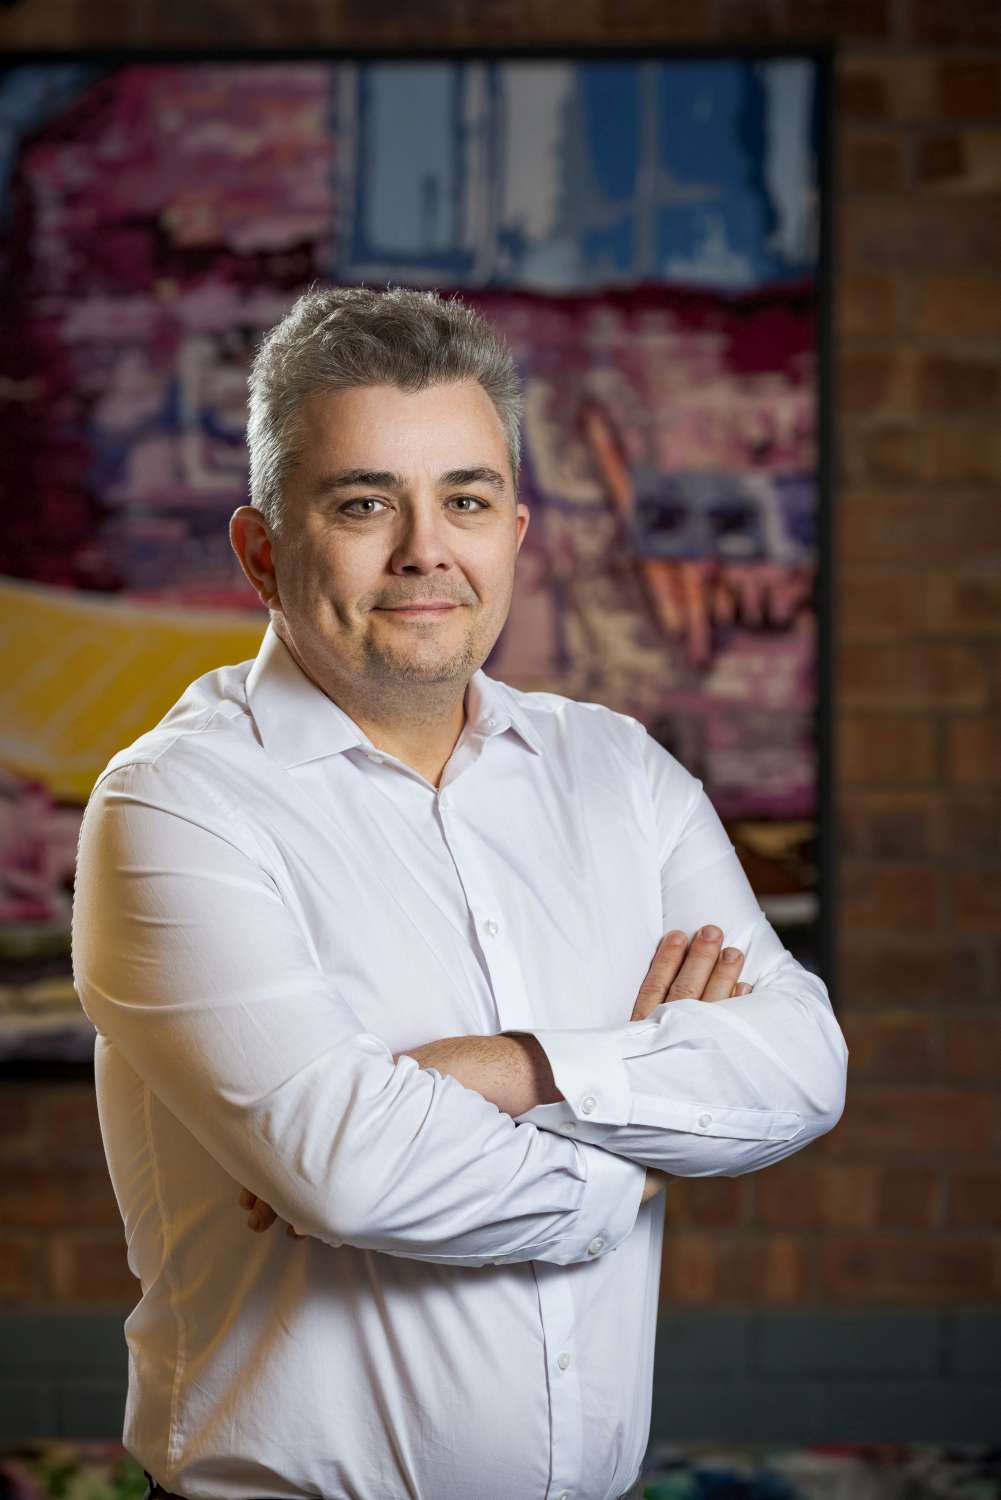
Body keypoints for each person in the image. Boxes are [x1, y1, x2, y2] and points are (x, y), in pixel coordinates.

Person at [71, 285, 849, 1500]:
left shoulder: (619, 773)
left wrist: (503, 1072)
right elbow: (348, 1170)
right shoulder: (176, 806)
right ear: (261, 553)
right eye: (363, 502)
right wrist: (646, 1155)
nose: (424, 550)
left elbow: (800, 1066)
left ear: (515, 534)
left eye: (466, 501)